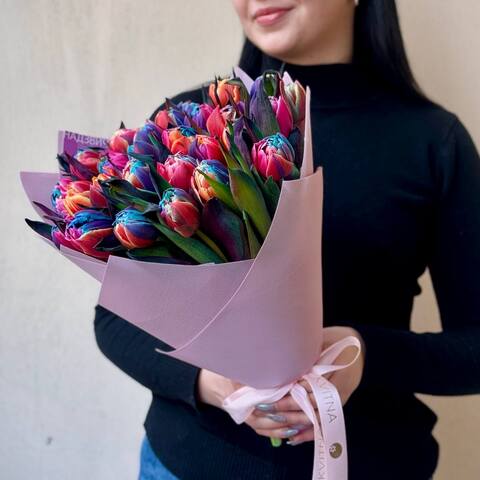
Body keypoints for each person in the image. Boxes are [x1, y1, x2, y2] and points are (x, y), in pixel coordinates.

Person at [93, 1, 480, 479]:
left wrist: (361, 354)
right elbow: (114, 320)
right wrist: (213, 383)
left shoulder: (433, 142)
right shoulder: (185, 128)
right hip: (186, 464)